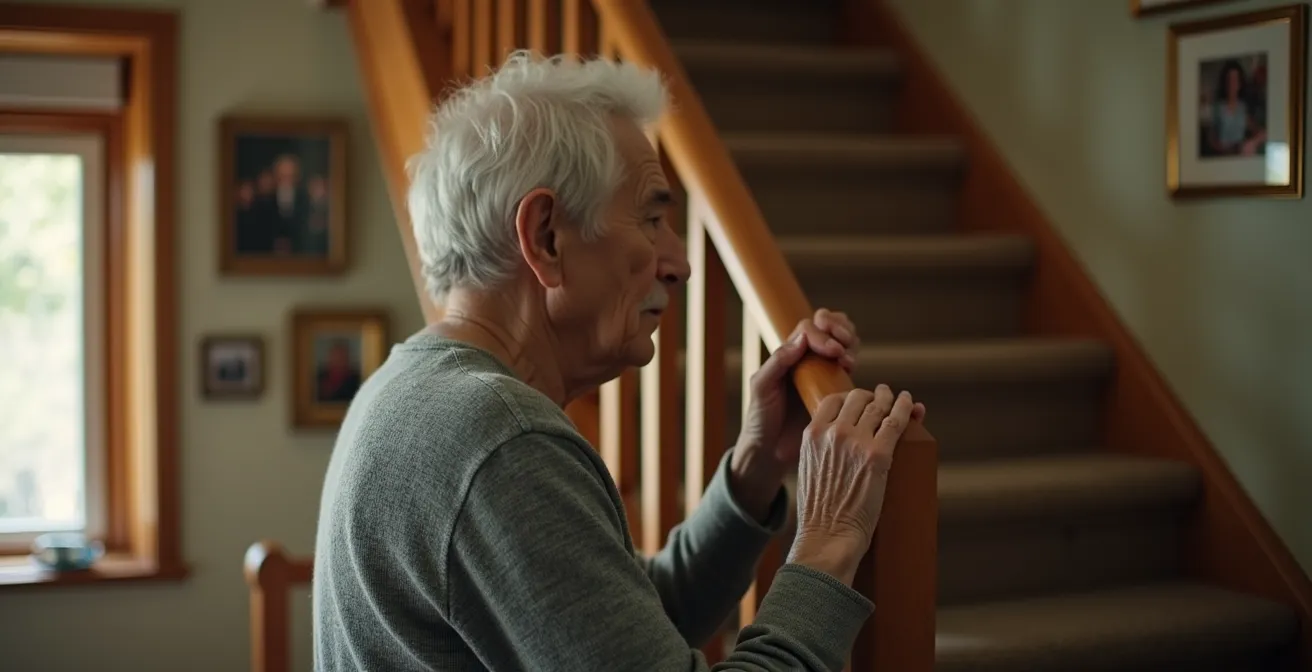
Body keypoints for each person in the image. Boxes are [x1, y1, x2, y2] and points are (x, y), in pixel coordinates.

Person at [312, 51, 926, 671]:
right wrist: (828, 542)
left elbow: (626, 625)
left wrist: (756, 464)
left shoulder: (406, 388)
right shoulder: (500, 440)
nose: (680, 263)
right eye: (652, 218)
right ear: (546, 237)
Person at [316, 339, 361, 403]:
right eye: (335, 356)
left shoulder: (356, 379)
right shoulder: (320, 378)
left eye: (341, 356)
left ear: (347, 358)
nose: (338, 359)